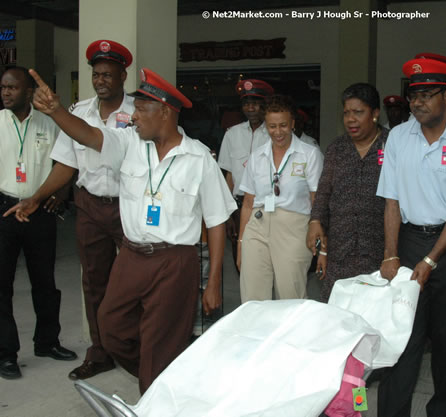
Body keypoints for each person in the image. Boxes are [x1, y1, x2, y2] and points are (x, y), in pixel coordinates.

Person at [25, 67, 237, 394]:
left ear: (164, 112)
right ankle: (165, 377)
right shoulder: (129, 144)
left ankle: (155, 387)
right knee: (110, 327)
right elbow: (89, 135)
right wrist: (55, 111)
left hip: (176, 261)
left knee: (158, 337)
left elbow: (217, 222)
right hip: (132, 256)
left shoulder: (199, 159)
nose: (133, 116)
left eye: (140, 109)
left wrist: (214, 282)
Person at [6, 39, 134, 381]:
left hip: (131, 206)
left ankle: (135, 348)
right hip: (90, 206)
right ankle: (100, 352)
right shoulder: (79, 112)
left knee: (136, 281)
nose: (100, 80)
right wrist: (36, 197)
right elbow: (66, 164)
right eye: (96, 75)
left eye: (108, 74)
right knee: (94, 283)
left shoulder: (139, 112)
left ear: (123, 75)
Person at [376, 56, 446, 416]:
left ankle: (440, 409)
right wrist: (391, 253)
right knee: (402, 334)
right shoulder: (397, 136)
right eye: (414, 95)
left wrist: (431, 260)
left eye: (427, 94)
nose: (418, 102)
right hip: (409, 241)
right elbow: (391, 200)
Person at [0, 67, 77, 380]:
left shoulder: (49, 124)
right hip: (4, 209)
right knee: (2, 285)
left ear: (28, 91)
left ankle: (47, 342)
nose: (5, 93)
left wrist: (59, 193)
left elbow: (67, 163)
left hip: (41, 211)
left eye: (12, 88)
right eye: (3, 87)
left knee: (44, 282)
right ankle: (6, 354)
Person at [307, 83, 389, 302]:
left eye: (358, 112)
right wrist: (315, 222)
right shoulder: (337, 148)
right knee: (337, 318)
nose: (351, 119)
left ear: (375, 114)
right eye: (346, 113)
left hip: (378, 252)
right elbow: (324, 192)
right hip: (340, 252)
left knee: (373, 317)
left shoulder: (392, 144)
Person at [238, 95, 323, 302]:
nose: (278, 132)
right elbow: (248, 202)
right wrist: (240, 243)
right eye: (272, 126)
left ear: (293, 123)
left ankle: (292, 335)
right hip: (257, 226)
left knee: (290, 295)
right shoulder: (257, 156)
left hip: (293, 228)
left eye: (283, 125)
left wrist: (323, 245)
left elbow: (317, 202)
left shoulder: (309, 154)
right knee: (253, 297)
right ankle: (259, 335)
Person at [218, 79, 273, 270]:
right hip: (239, 205)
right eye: (246, 103)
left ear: (264, 105)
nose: (251, 108)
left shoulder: (275, 133)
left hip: (267, 205)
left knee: (268, 259)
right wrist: (228, 212)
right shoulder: (232, 134)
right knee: (240, 260)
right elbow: (229, 176)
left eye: (255, 103)